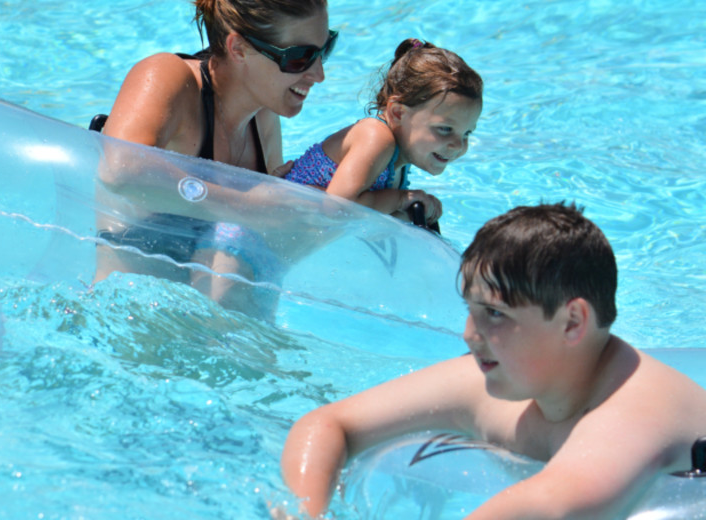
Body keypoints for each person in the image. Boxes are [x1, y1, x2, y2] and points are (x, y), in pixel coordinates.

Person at [279, 202, 706, 519]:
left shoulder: (634, 412)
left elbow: (549, 505)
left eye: (496, 314)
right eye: (471, 309)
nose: (469, 334)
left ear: (573, 321)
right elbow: (329, 424)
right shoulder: (499, 382)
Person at [94, 0, 337, 320]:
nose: (318, 74)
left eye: (325, 49)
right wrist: (249, 205)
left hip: (215, 337)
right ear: (238, 48)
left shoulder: (263, 116)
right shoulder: (168, 77)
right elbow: (120, 171)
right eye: (300, 57)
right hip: (126, 326)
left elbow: (270, 243)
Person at [283, 39, 482, 226]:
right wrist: (402, 199)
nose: (458, 145)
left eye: (467, 133)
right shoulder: (376, 137)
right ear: (397, 112)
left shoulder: (401, 154)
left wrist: (409, 212)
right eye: (445, 129)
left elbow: (367, 219)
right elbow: (337, 208)